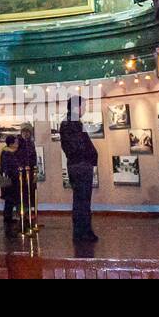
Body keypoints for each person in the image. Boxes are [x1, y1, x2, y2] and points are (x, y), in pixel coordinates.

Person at [60, 96, 99, 242]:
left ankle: (83, 231)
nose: (85, 109)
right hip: (80, 165)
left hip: (79, 165)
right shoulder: (71, 124)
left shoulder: (71, 123)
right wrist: (88, 157)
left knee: (81, 200)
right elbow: (77, 147)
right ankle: (82, 232)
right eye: (84, 106)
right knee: (82, 200)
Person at [0, 135, 22, 237]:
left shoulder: (6, 152)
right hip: (11, 180)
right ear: (11, 143)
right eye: (15, 142)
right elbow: (9, 167)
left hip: (10, 180)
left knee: (10, 199)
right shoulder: (7, 153)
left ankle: (8, 217)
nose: (17, 144)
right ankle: (7, 218)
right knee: (10, 199)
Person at [17, 123, 39, 228]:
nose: (26, 134)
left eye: (28, 132)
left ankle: (30, 212)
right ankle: (22, 214)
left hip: (30, 172)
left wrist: (34, 170)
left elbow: (33, 157)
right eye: (24, 131)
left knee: (31, 192)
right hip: (21, 173)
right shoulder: (18, 143)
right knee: (22, 193)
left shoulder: (31, 144)